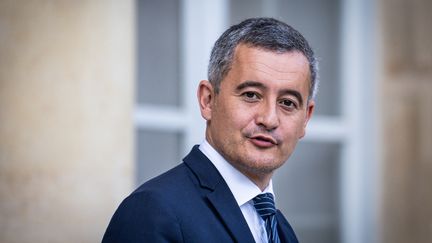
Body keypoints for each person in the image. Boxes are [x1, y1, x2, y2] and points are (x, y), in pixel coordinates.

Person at [102, 17, 317, 243]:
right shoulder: (152, 211)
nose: (269, 119)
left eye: (287, 103)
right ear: (207, 100)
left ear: (306, 118)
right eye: (251, 95)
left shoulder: (281, 229)